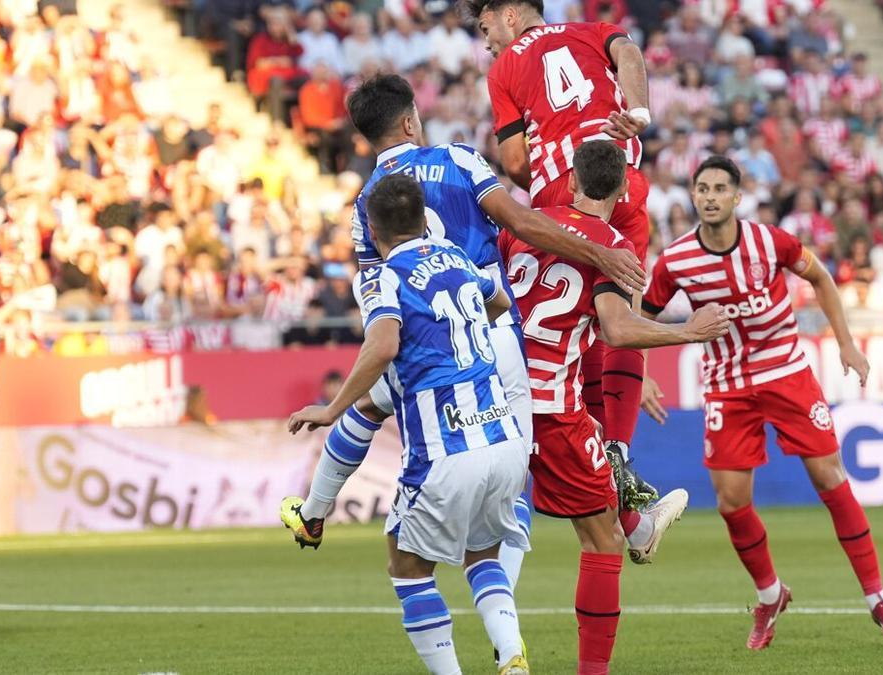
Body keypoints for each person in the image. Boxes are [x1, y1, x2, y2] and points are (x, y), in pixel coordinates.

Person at [279, 73, 644, 590]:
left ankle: (315, 510)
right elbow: (521, 221)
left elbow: (377, 297)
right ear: (410, 120)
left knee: (367, 406)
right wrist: (599, 252)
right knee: (510, 477)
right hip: (491, 333)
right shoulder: (459, 160)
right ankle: (507, 628)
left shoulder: (366, 204)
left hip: (422, 346)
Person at [640, 156, 883, 649]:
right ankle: (770, 595)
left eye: (720, 188)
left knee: (831, 479)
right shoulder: (676, 261)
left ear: (737, 197)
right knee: (731, 502)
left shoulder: (771, 242)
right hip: (726, 383)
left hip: (787, 374)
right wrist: (640, 374)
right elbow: (643, 315)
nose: (709, 196)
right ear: (693, 195)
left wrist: (846, 342)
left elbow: (822, 278)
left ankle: (879, 599)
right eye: (702, 188)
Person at [499, 141, 729, 675]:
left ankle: (637, 524)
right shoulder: (614, 247)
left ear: (572, 180)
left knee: (510, 533)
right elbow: (618, 329)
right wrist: (688, 330)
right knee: (602, 542)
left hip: (496, 399)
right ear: (624, 188)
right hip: (552, 405)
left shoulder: (526, 226)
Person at [287, 174, 531, 675]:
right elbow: (502, 303)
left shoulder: (383, 277)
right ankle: (511, 656)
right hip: (503, 439)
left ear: (372, 231)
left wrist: (330, 408)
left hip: (446, 447)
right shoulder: (459, 257)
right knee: (482, 555)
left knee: (407, 565)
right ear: (424, 219)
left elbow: (382, 345)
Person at [466, 0, 664, 529]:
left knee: (571, 328)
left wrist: (551, 156)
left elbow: (512, 163)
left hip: (564, 194)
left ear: (509, 15)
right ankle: (617, 452)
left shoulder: (505, 67)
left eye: (486, 28)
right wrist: (638, 112)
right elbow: (630, 54)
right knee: (622, 317)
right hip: (623, 177)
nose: (487, 41)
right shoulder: (592, 30)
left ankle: (607, 480)